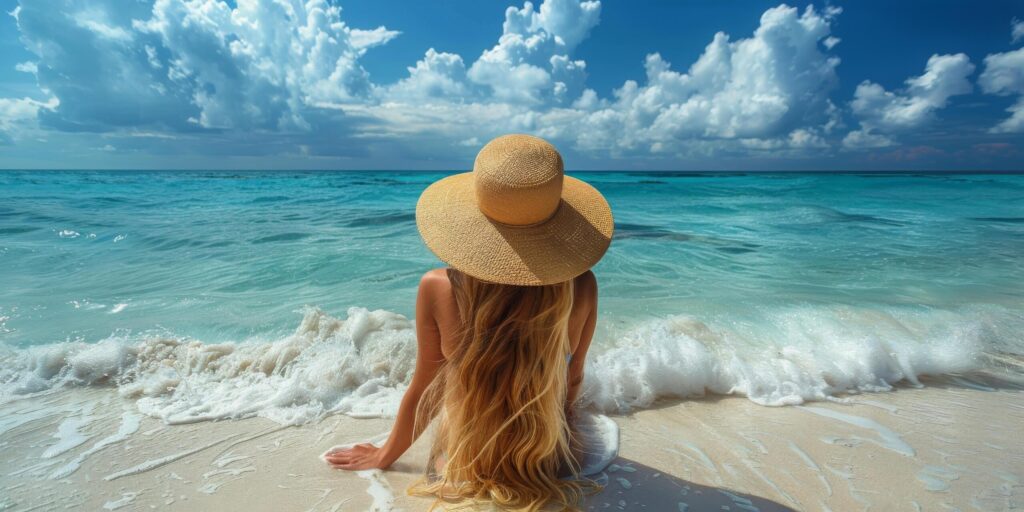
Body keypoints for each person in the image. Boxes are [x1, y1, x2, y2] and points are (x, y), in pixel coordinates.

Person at [323, 134, 615, 511]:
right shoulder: (584, 285)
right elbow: (572, 381)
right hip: (549, 461)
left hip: (464, 464)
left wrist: (384, 455)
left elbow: (425, 390)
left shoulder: (437, 286)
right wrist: (565, 438)